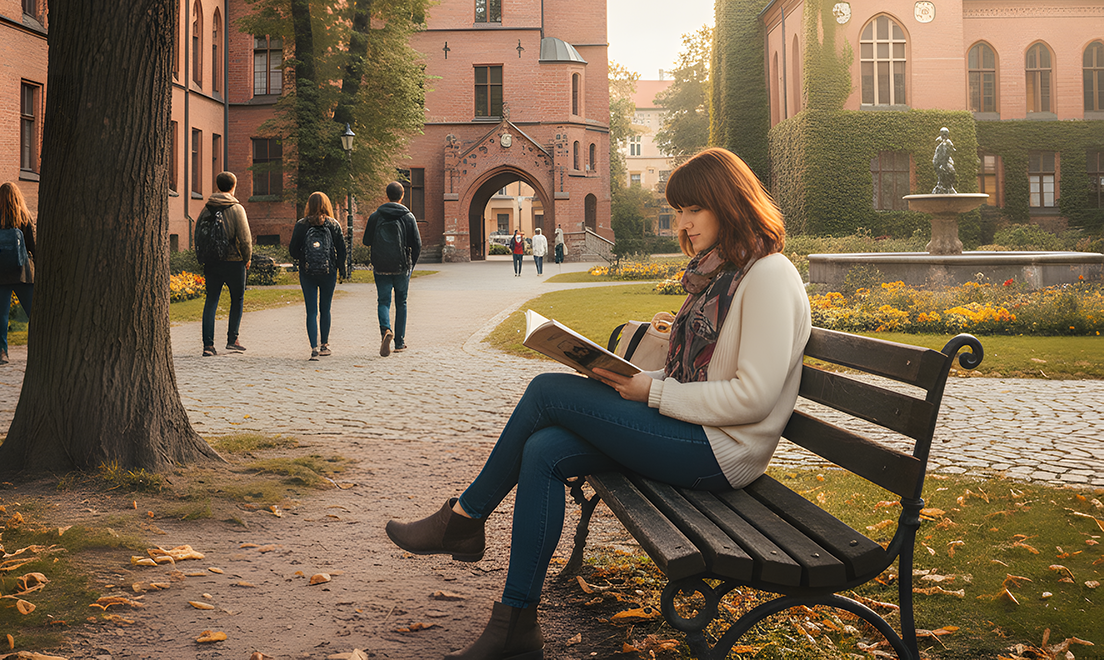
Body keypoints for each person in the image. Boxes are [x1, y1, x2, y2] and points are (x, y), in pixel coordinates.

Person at [384, 147, 810, 660]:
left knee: (546, 392)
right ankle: (515, 627)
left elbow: (753, 397)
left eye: (694, 209)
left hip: (721, 451)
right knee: (543, 450)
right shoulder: (721, 274)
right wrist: (630, 377)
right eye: (679, 211)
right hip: (695, 433)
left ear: (729, 202)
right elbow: (693, 374)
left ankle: (466, 518)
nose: (684, 223)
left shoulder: (769, 275)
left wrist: (650, 391)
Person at [0, 182, 37, 366]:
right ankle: (36, 350)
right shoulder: (25, 219)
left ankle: (2, 353)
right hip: (22, 273)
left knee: (1, 313)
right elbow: (32, 247)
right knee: (33, 312)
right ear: (18, 197)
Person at [196, 171, 253, 357]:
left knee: (211, 300)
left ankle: (208, 345)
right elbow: (245, 238)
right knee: (237, 299)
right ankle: (232, 340)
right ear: (233, 186)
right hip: (234, 261)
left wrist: (201, 257)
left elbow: (198, 234)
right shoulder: (237, 209)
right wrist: (247, 258)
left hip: (212, 261)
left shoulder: (206, 209)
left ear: (217, 185)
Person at [362, 180, 421, 356]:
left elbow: (366, 241)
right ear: (402, 196)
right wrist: (411, 266)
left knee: (383, 301)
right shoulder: (408, 216)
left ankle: (385, 330)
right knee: (401, 302)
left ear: (386, 195)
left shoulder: (376, 216)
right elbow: (417, 244)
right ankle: (399, 342)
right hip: (401, 265)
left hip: (381, 265)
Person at [288, 191, 348, 361]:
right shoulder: (333, 224)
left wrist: (303, 256)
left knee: (311, 310)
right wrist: (341, 269)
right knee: (325, 308)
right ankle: (325, 345)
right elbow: (342, 251)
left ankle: (313, 348)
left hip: (307, 272)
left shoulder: (301, 225)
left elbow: (293, 251)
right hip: (328, 271)